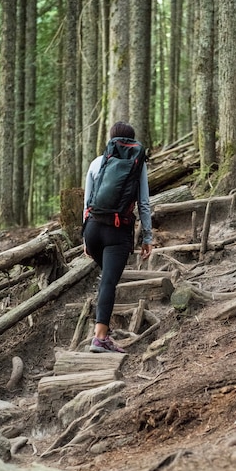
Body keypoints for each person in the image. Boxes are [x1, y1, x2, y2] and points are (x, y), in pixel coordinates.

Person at [83, 121, 153, 353]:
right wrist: (147, 237)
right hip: (117, 232)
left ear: (111, 139)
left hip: (93, 230)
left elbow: (87, 204)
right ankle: (100, 338)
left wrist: (85, 238)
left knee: (107, 281)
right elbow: (143, 203)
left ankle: (103, 330)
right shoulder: (137, 163)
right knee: (108, 282)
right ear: (132, 141)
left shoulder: (97, 163)